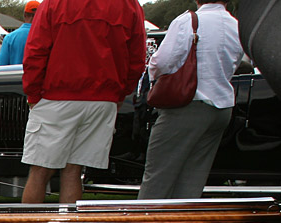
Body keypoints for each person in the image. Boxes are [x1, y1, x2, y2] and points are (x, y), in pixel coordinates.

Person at [20, 0, 146, 204]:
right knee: (74, 169)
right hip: (103, 98)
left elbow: (36, 50)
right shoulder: (129, 4)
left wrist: (33, 94)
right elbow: (137, 58)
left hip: (58, 95)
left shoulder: (54, 3)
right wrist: (120, 93)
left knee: (40, 170)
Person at [137, 0, 244, 199]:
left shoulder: (189, 20)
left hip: (188, 104)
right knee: (192, 178)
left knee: (158, 175)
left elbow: (163, 61)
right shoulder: (236, 25)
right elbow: (239, 61)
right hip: (221, 107)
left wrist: (152, 74)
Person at [0, 1, 40, 66]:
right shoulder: (46, 37)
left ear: (24, 15)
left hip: (15, 76)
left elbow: (1, 67)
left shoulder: (9, 38)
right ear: (41, 15)